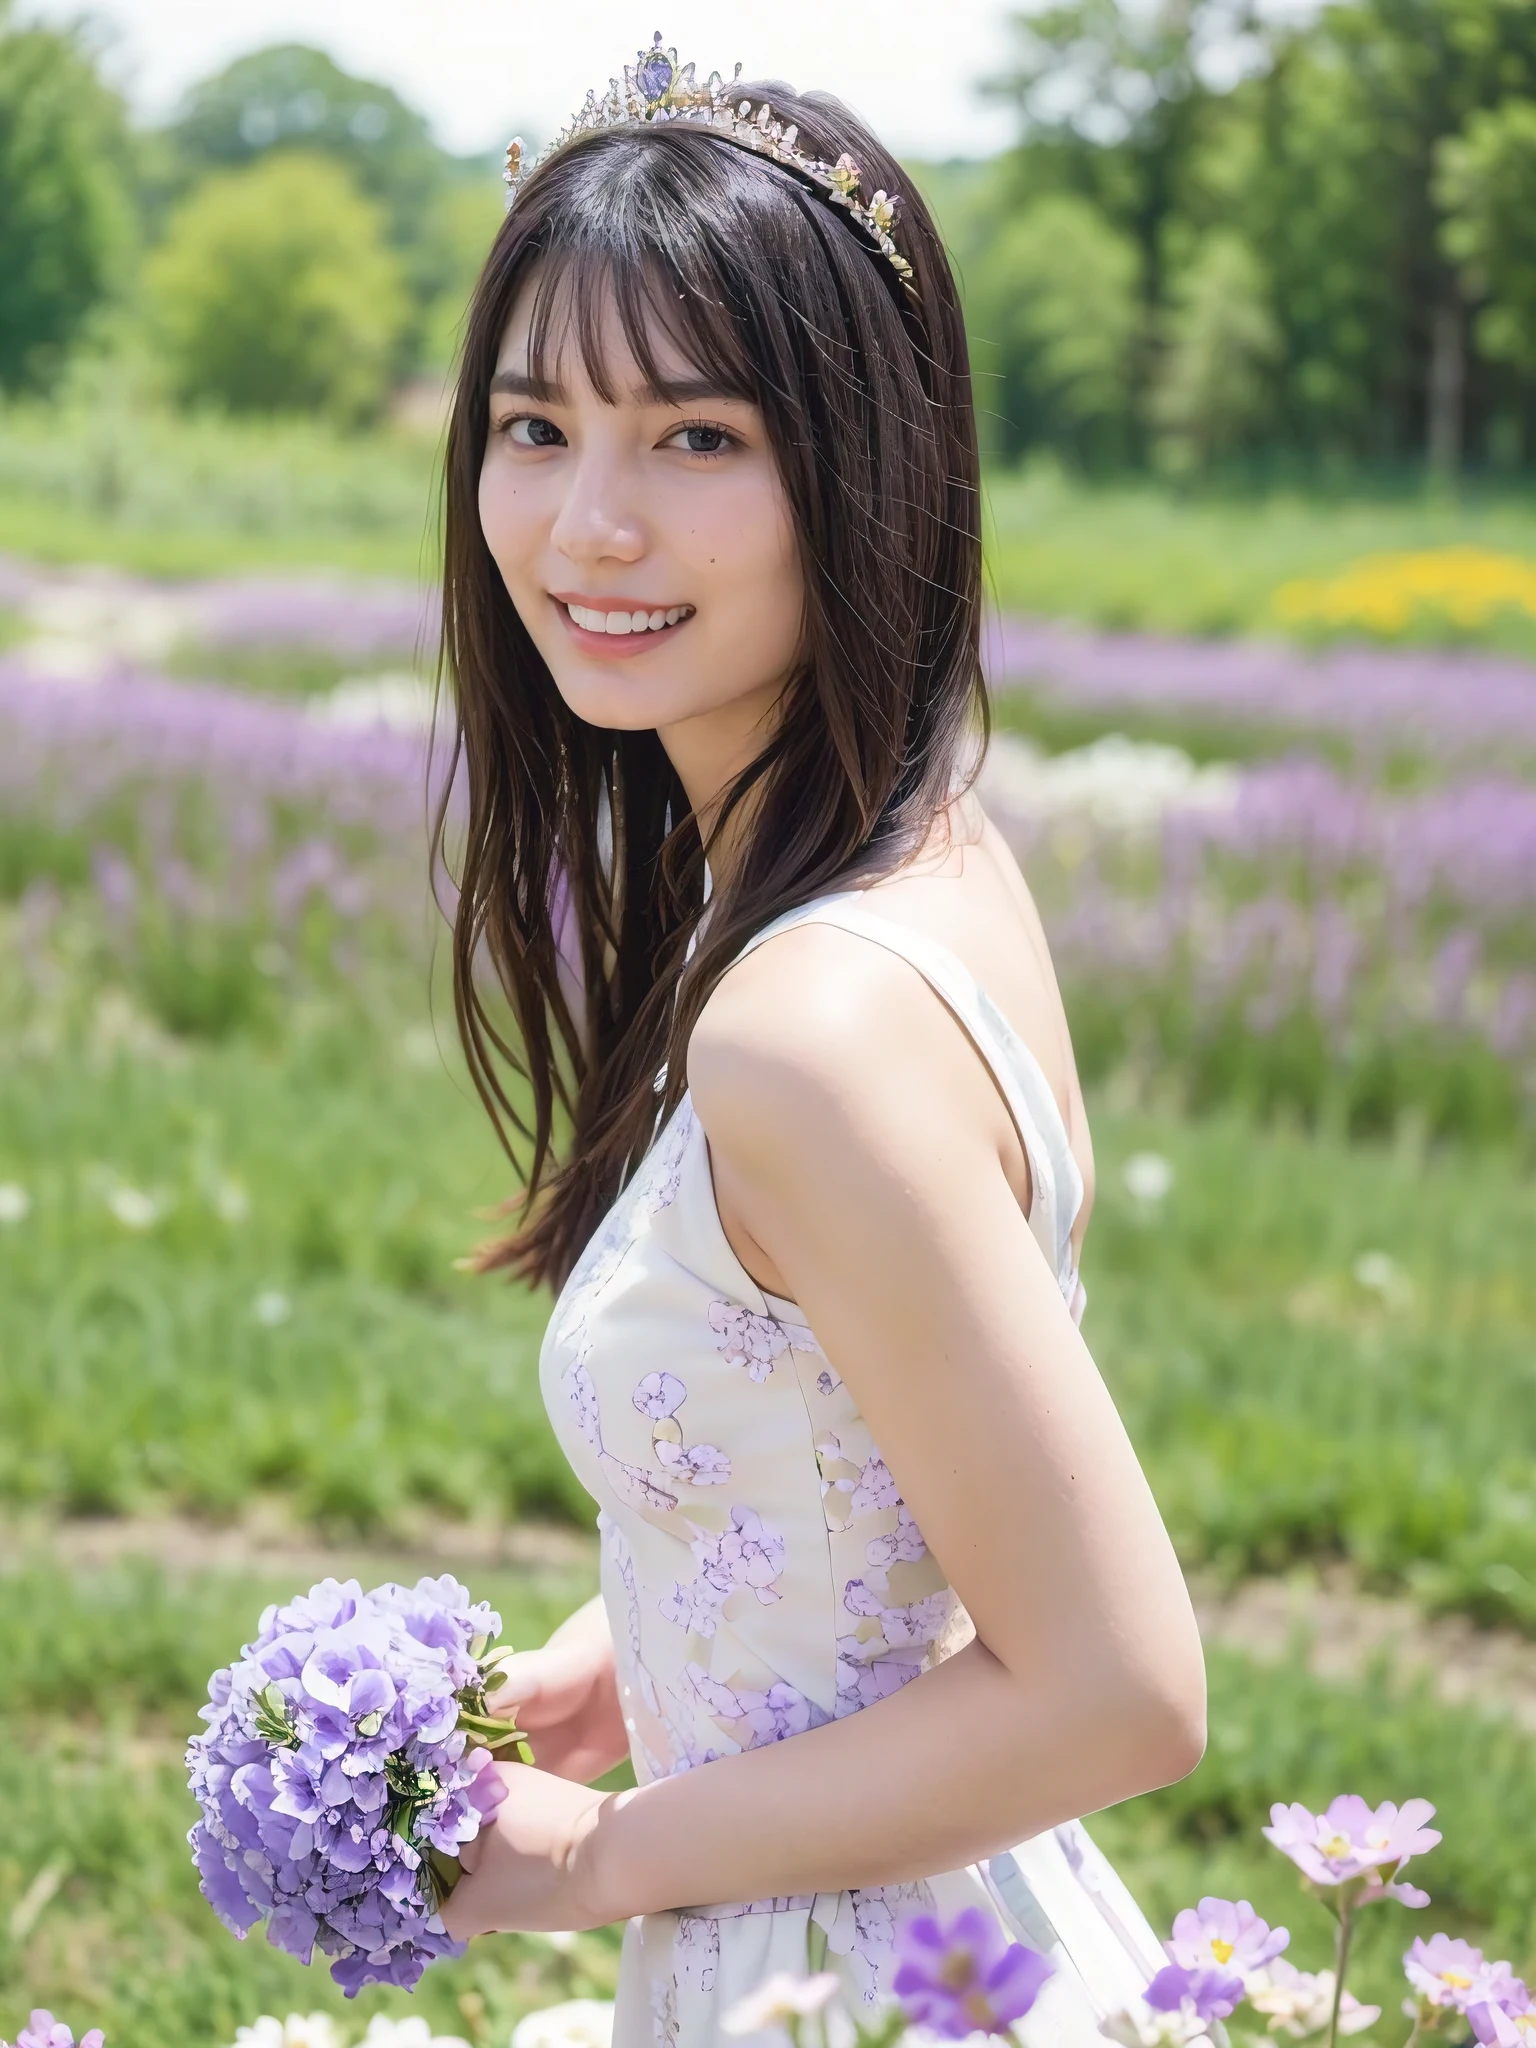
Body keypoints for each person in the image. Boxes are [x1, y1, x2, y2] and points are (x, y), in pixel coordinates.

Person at [432, 37, 1206, 2045]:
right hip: (917, 1920)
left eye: (695, 438)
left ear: (858, 456)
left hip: (866, 1975)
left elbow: (1122, 1686)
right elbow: (873, 1441)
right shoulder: (919, 849)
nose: (589, 525)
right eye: (535, 424)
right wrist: (658, 1632)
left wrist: (602, 1852)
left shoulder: (808, 1025)